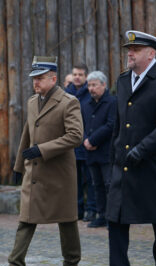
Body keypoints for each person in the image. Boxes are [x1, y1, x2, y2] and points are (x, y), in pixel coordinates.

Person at [92, 30, 156, 266]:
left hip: (154, 165)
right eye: (128, 49)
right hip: (124, 163)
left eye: (136, 49)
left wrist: (143, 149)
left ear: (151, 53)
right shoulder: (122, 80)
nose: (129, 53)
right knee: (116, 220)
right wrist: (114, 158)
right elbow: (120, 124)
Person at [0, 56, 83, 266]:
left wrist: (42, 150)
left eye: (40, 78)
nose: (35, 83)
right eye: (34, 78)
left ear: (54, 78)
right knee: (26, 218)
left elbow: (75, 136)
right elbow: (27, 132)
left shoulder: (68, 101)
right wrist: (19, 165)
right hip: (35, 171)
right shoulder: (33, 101)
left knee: (67, 219)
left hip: (59, 173)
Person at [82, 71, 116, 228]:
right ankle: (101, 215)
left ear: (104, 85)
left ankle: (112, 217)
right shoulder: (86, 105)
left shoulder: (112, 102)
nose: (91, 88)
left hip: (106, 151)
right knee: (97, 185)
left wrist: (93, 140)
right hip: (90, 151)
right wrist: (85, 141)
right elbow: (80, 125)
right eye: (89, 85)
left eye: (94, 85)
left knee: (109, 184)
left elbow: (111, 125)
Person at [65, 63, 97, 221]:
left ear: (85, 76)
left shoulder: (89, 93)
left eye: (80, 75)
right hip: (71, 145)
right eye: (75, 74)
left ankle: (91, 209)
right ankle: (77, 210)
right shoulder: (66, 93)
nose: (77, 77)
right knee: (74, 180)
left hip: (87, 142)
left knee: (90, 180)